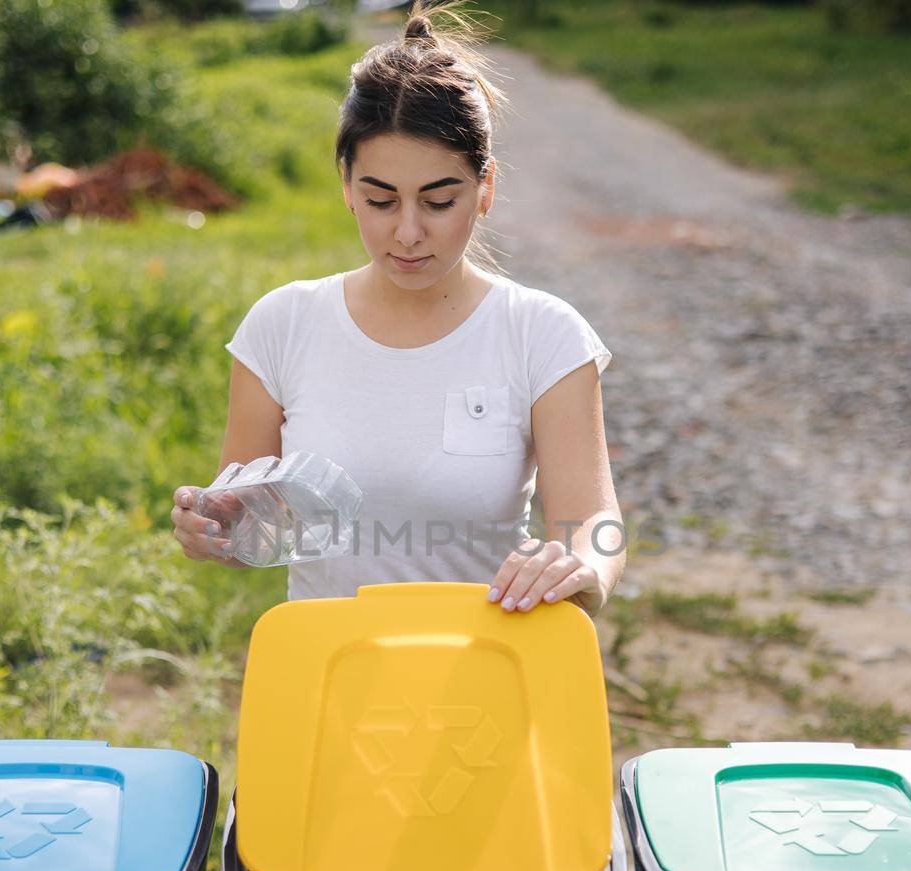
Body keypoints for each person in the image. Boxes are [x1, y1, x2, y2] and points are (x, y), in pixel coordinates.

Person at [170, 0, 624, 617]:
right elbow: (245, 521)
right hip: (334, 673)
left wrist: (582, 563)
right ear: (346, 187)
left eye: (438, 201)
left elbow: (595, 521)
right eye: (380, 200)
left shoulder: (542, 336)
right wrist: (213, 530)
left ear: (485, 188)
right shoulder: (281, 328)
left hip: (486, 671)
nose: (408, 233)